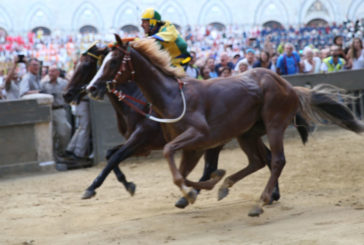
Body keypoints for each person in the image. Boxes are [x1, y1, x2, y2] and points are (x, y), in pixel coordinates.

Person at [41, 65, 72, 163]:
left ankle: (61, 152)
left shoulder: (64, 83)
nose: (50, 73)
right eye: (49, 71)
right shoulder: (43, 84)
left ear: (58, 73)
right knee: (50, 135)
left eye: (53, 71)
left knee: (64, 132)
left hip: (60, 109)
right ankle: (53, 156)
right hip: (48, 111)